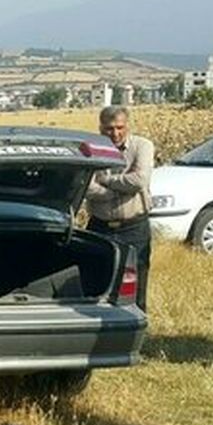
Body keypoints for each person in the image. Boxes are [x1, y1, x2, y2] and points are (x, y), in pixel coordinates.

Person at [84, 105, 155, 311]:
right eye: (109, 128)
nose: (115, 133)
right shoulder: (90, 150)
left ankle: (137, 327)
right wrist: (117, 191)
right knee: (96, 280)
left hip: (134, 227)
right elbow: (87, 186)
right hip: (100, 226)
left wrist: (106, 180)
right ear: (100, 128)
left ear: (127, 126)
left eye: (119, 127)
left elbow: (139, 180)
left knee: (137, 282)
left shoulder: (142, 146)